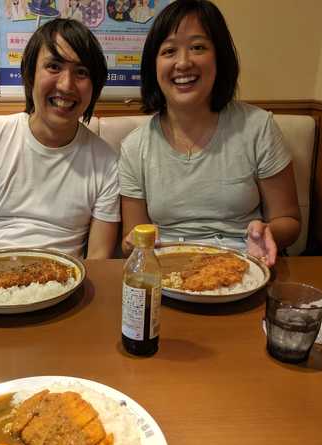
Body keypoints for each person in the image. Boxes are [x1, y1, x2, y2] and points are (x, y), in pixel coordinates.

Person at [119, 0, 300, 266]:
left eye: (198, 47)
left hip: (245, 264)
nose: (183, 62)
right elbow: (131, 239)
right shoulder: (135, 146)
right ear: (153, 66)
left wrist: (268, 233)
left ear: (219, 57)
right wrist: (131, 242)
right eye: (169, 51)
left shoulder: (258, 127)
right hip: (168, 271)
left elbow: (290, 221)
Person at [0, 19, 120, 261]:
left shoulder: (106, 163)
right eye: (54, 67)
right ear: (30, 74)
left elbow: (98, 255)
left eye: (81, 72)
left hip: (63, 286)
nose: (66, 85)